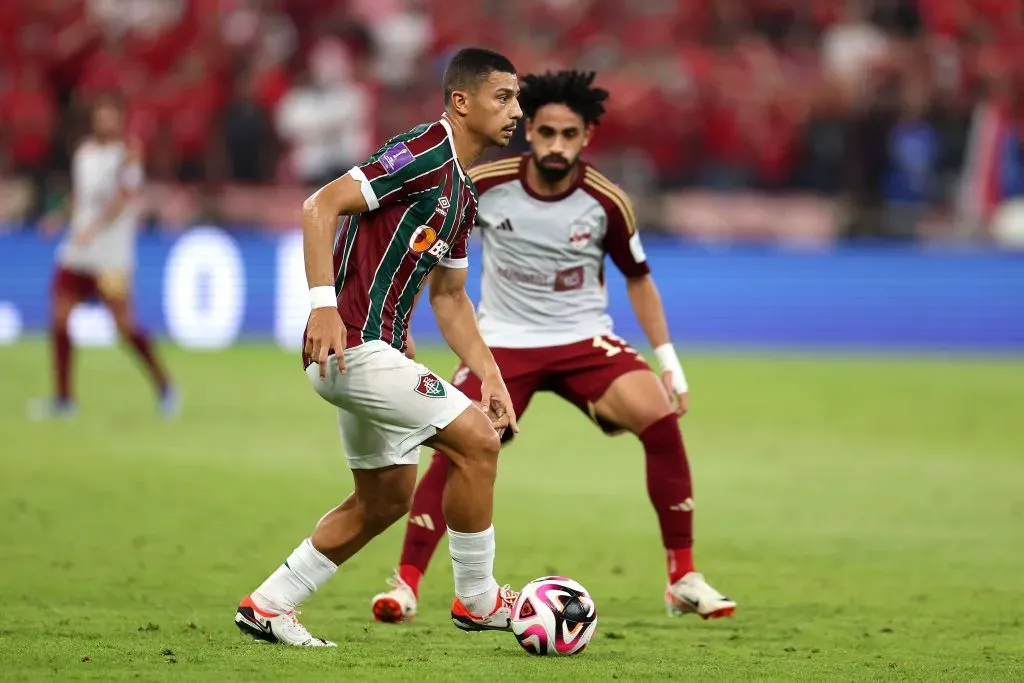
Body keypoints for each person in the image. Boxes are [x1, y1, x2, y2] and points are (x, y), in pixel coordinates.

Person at [371, 70, 736, 624]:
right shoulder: (484, 183)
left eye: (569, 135)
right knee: (458, 442)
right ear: (529, 132)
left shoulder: (606, 201)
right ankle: (406, 583)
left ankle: (682, 578)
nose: (557, 145)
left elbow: (638, 278)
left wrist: (669, 364)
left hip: (582, 341)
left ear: (586, 136)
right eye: (546, 133)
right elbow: (437, 254)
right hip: (501, 346)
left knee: (660, 419)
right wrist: (405, 325)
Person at [234, 47, 526, 647]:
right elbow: (321, 205)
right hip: (353, 345)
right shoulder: (420, 152)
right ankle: (478, 599)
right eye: (504, 97)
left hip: (381, 352)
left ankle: (269, 605)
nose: (515, 111)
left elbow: (450, 298)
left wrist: (491, 376)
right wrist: (321, 305)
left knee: (387, 497)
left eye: (517, 98)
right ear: (461, 102)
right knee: (476, 441)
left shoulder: (463, 194)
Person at [31, 95, 176, 420]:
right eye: (101, 117)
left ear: (120, 122)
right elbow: (80, 197)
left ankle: (164, 385)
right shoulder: (84, 153)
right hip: (75, 252)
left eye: (112, 117)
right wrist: (58, 217)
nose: (106, 123)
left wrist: (94, 228)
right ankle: (64, 398)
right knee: (59, 319)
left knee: (124, 327)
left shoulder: (127, 156)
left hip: (111, 257)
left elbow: (124, 197)